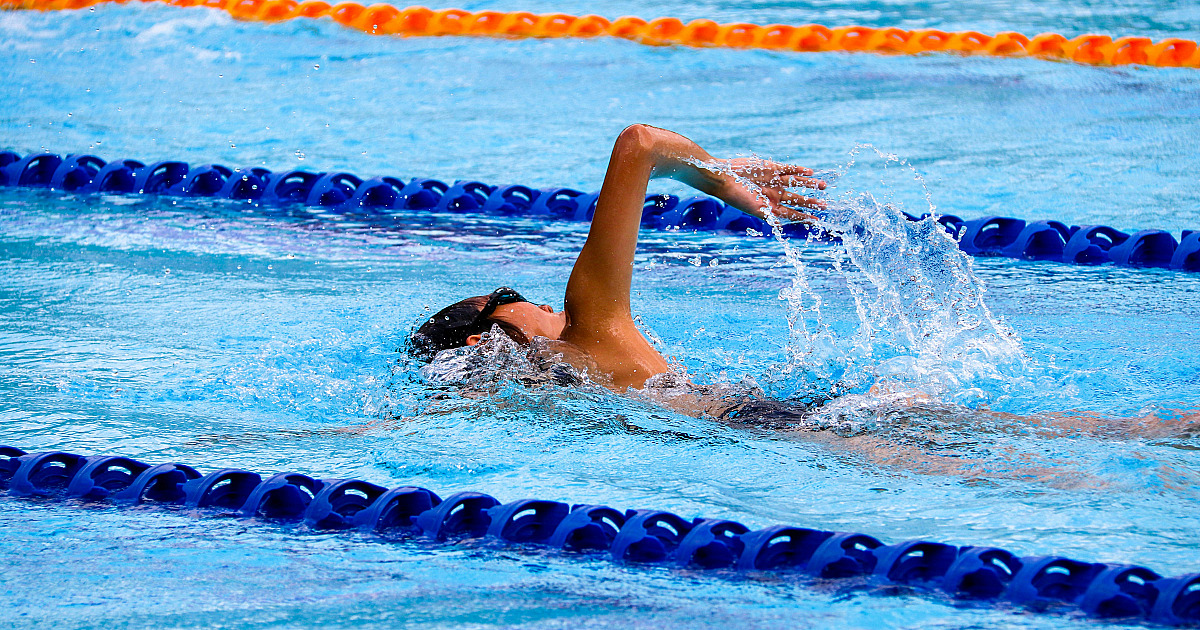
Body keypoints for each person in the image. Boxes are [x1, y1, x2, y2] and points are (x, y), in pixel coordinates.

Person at [408, 124, 825, 391]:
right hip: (785, 426)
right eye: (508, 295)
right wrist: (724, 180)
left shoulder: (561, 397)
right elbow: (640, 144)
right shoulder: (588, 325)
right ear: (483, 341)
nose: (546, 304)